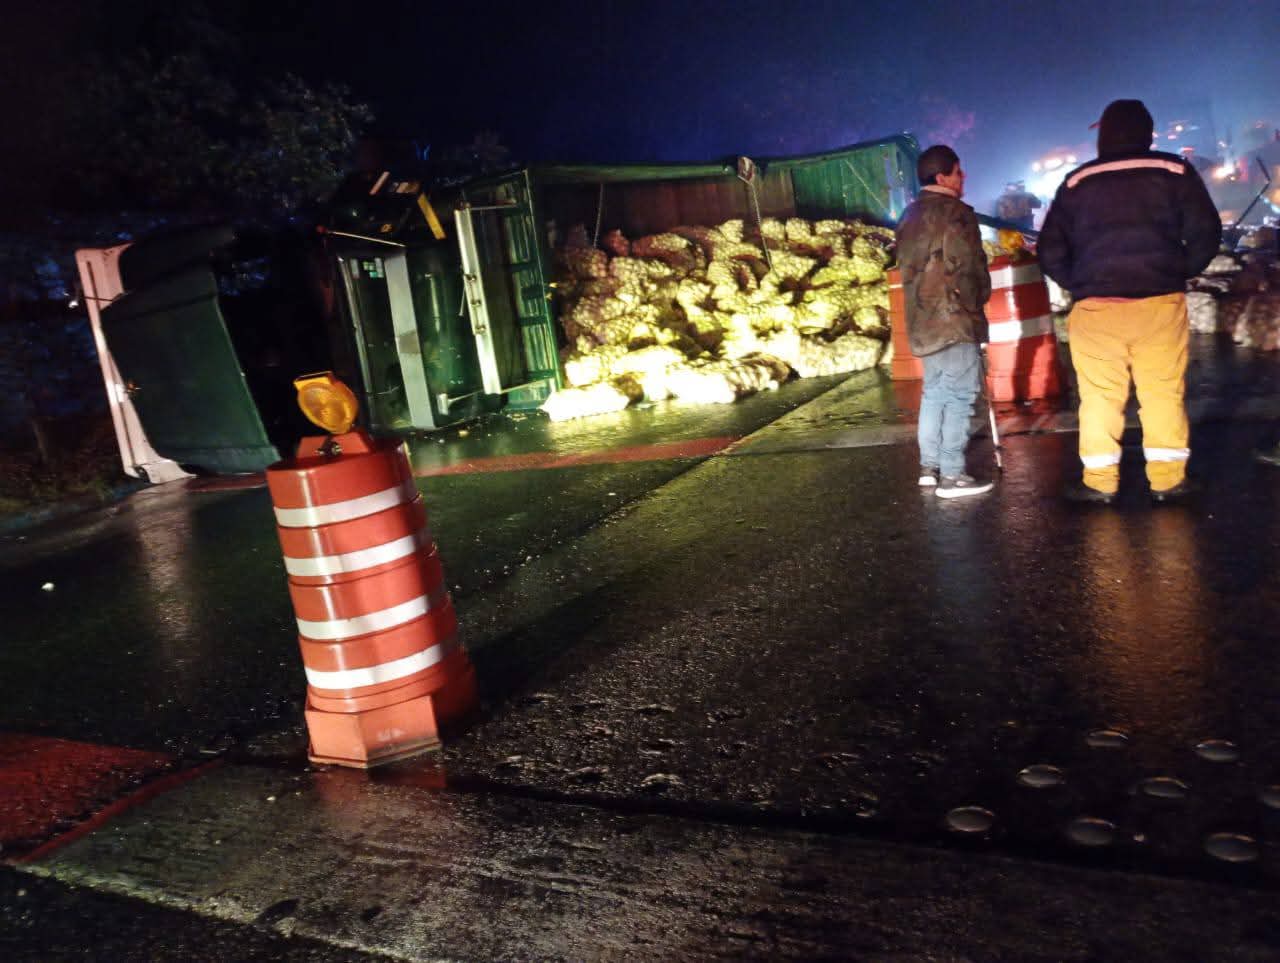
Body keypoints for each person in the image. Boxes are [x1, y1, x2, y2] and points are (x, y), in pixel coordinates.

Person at [1038, 99, 1221, 504]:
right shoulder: (1174, 171)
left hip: (1096, 309)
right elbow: (1207, 232)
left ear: (1103, 134)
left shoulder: (1076, 182)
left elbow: (1050, 250)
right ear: (1147, 133)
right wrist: (1176, 271)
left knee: (1100, 397)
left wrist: (1081, 282)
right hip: (1159, 303)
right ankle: (1168, 480)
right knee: (1162, 393)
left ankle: (1100, 483)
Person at [897, 144, 993, 498]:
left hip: (923, 322)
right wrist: (978, 298)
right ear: (943, 177)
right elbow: (966, 268)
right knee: (960, 397)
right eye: (958, 171)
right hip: (954, 320)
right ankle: (952, 475)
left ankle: (929, 468)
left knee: (934, 393)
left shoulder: (907, 217)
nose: (963, 177)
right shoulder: (956, 214)